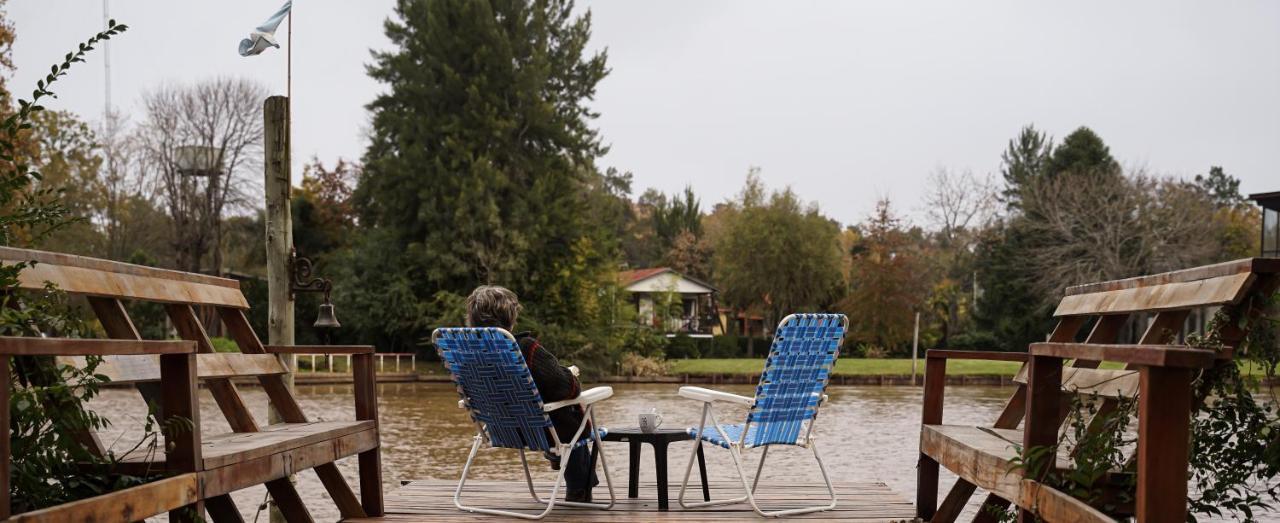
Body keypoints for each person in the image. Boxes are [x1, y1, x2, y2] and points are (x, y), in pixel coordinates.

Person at [464, 285, 599, 502]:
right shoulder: (525, 348)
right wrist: (570, 374)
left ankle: (566, 468)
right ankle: (578, 489)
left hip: (501, 429)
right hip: (541, 431)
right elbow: (566, 387)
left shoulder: (467, 353)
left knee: (553, 409)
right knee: (575, 420)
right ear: (510, 317)